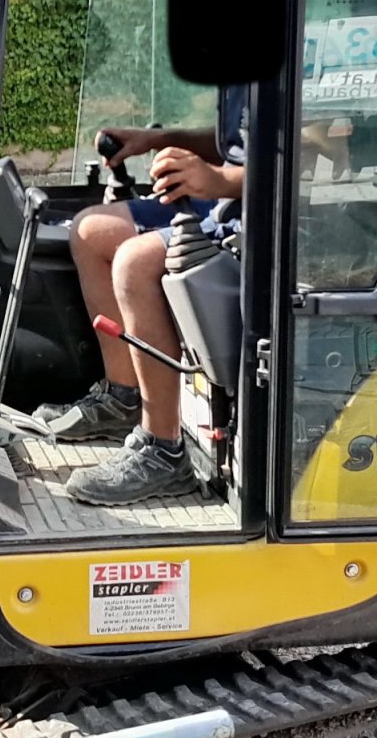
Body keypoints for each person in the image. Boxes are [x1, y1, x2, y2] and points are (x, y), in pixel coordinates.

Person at [37, 112, 244, 507]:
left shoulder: (302, 64)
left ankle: (163, 449)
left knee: (135, 263)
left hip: (271, 219)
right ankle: (123, 398)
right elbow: (234, 141)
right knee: (91, 230)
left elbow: (314, 155)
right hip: (223, 203)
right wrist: (155, 139)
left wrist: (221, 180)